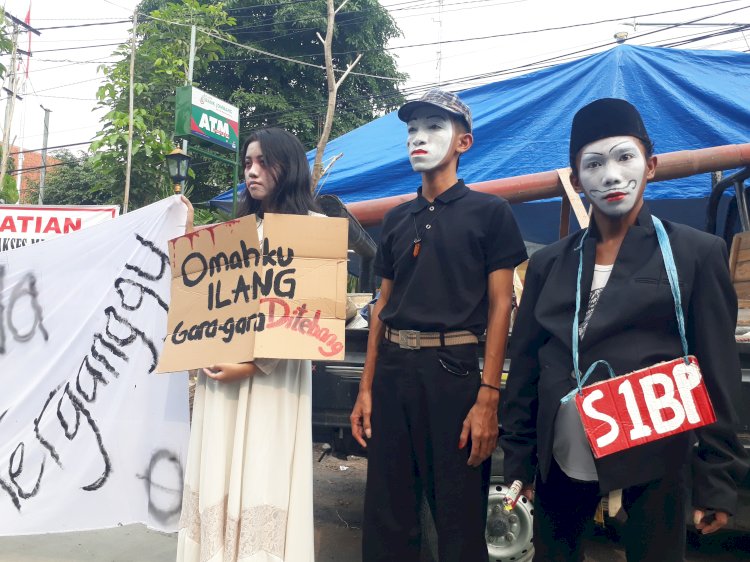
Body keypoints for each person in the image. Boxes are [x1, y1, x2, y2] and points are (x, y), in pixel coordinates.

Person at [500, 98, 749, 562]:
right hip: (563, 458)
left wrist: (717, 479)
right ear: (577, 182)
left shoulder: (694, 254)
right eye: (594, 164)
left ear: (650, 166)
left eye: (624, 157)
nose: (612, 175)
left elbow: (715, 372)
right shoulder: (549, 264)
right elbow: (529, 364)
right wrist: (519, 459)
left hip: (653, 457)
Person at [350, 89, 528, 562]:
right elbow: (381, 306)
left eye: (433, 127)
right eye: (411, 129)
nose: (418, 138)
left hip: (454, 375)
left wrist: (488, 397)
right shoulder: (394, 220)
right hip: (392, 373)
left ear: (463, 142)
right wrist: (366, 388)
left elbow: (500, 306)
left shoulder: (491, 214)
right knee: (387, 514)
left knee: (458, 516)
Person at [176, 128, 319, 562]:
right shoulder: (236, 231)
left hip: (274, 382)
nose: (251, 171)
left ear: (288, 166)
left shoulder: (314, 230)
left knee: (263, 472)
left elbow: (311, 313)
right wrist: (187, 234)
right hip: (222, 377)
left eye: (262, 162)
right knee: (217, 474)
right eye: (247, 162)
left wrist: (253, 365)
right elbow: (203, 298)